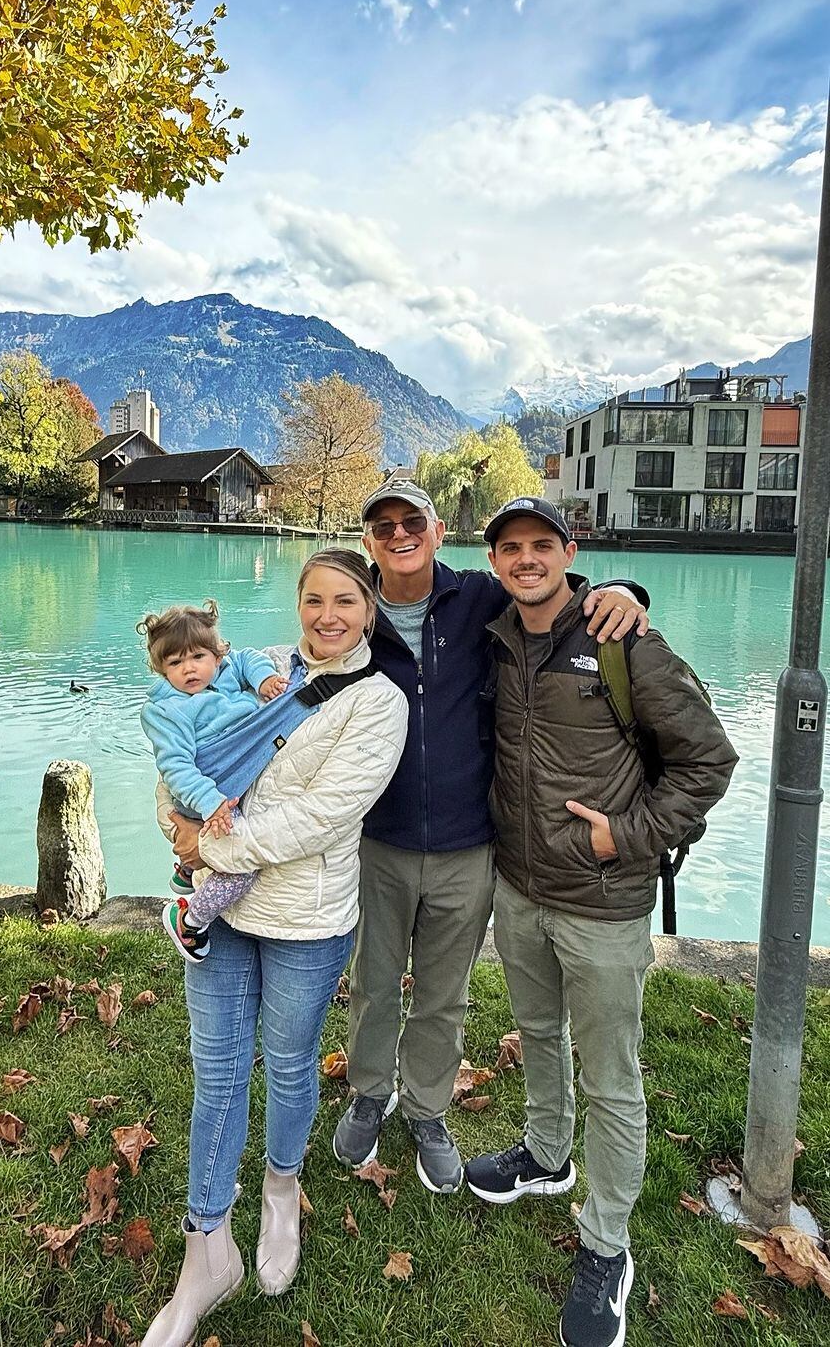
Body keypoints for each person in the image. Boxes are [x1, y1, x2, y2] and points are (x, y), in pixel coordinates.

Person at [463, 496, 737, 1347]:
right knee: (538, 1034)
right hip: (519, 887)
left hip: (605, 901)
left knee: (612, 1079)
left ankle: (606, 1244)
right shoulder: (497, 638)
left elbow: (708, 759)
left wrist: (630, 837)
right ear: (497, 562)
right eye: (511, 549)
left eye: (542, 545)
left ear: (569, 552)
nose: (527, 560)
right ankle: (547, 1156)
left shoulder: (624, 642)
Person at [333, 480, 649, 1195]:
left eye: (411, 520)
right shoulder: (352, 609)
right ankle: (367, 1092)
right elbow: (303, 645)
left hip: (470, 841)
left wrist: (624, 589)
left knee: (444, 994)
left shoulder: (479, 599)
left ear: (438, 530)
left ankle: (427, 1110)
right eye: (382, 526)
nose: (398, 533)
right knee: (374, 982)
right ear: (368, 542)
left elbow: (552, 595)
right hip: (378, 838)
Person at [141, 549, 409, 1347]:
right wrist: (176, 826)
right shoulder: (257, 671)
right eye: (314, 599)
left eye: (347, 602)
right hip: (223, 916)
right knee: (216, 1075)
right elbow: (181, 759)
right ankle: (206, 1249)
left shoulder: (378, 702)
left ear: (370, 610)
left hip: (307, 919)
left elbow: (322, 818)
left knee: (290, 1066)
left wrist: (208, 852)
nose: (328, 616)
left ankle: (282, 1194)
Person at [137, 600, 291, 961]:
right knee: (241, 862)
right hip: (203, 791)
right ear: (161, 669)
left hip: (231, 778)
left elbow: (249, 657)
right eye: (175, 663)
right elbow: (175, 767)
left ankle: (187, 868)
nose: (189, 669)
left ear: (217, 656)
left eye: (197, 658)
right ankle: (190, 919)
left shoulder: (226, 671)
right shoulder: (167, 710)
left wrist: (264, 679)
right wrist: (211, 804)